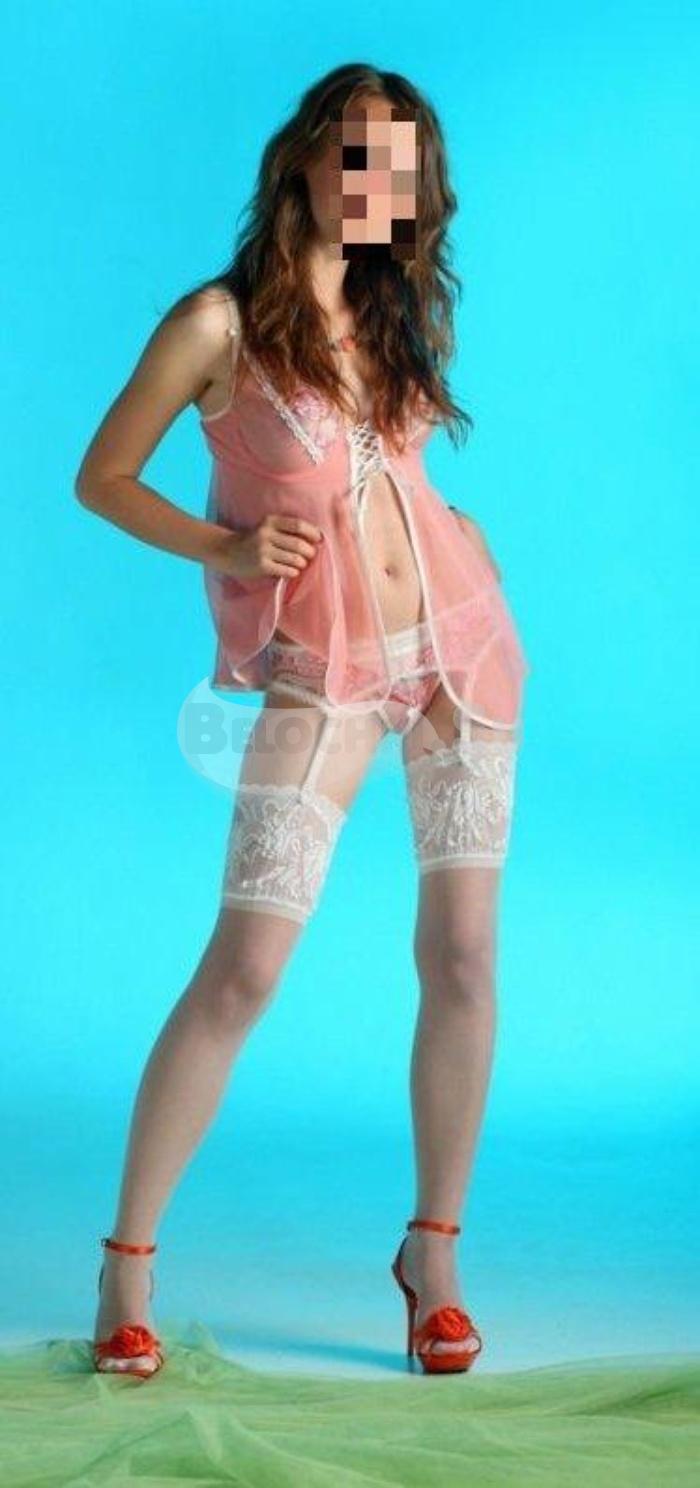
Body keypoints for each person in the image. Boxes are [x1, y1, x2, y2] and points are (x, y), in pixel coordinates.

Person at [75, 63, 530, 1381]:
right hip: (323, 668)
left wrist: (460, 535)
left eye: (403, 167)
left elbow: (402, 481)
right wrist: (224, 543)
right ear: (304, 158)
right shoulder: (217, 325)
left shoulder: (390, 310)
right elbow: (103, 476)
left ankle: (433, 1258)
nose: (377, 185)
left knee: (462, 958)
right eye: (357, 154)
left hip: (459, 652)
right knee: (247, 968)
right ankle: (127, 1264)